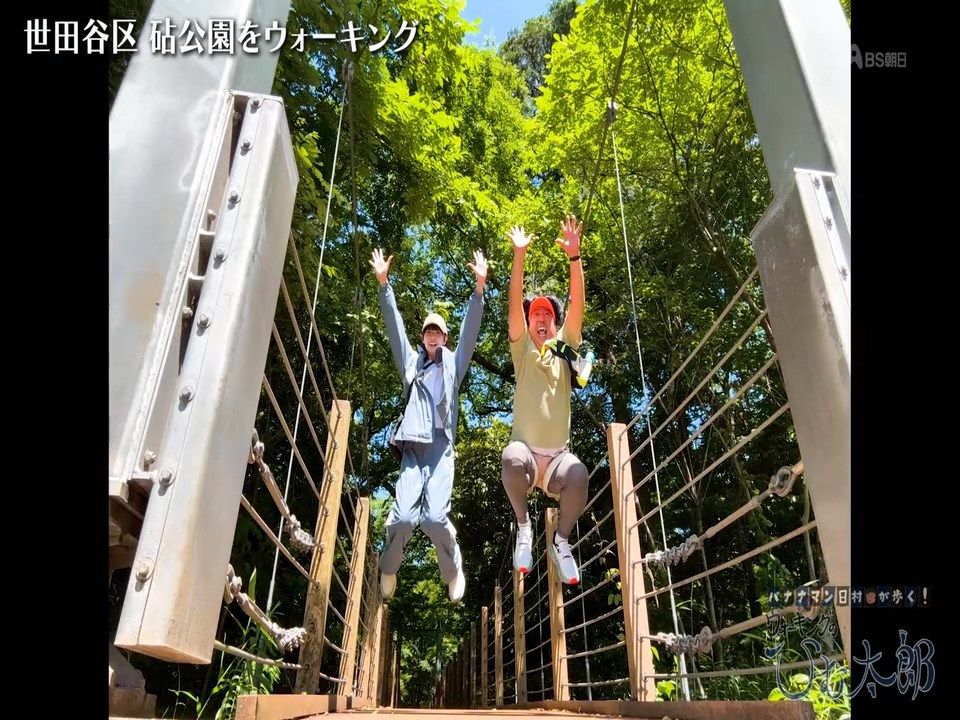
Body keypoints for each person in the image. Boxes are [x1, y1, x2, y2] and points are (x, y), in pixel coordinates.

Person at [370, 247, 487, 602]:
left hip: (441, 448)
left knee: (434, 519)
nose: (432, 336)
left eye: (438, 332)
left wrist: (479, 289)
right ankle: (389, 567)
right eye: (427, 332)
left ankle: (452, 569)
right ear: (423, 338)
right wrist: (384, 284)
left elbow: (470, 331)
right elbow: (395, 329)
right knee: (404, 518)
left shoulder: (454, 365)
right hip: (412, 448)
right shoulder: (412, 365)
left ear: (445, 339)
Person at [501, 217, 589, 585]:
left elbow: (577, 304)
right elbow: (513, 303)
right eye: (534, 314)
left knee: (580, 474)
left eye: (546, 315)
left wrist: (575, 257)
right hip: (525, 455)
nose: (540, 318)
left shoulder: (565, 347)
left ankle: (561, 542)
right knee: (510, 458)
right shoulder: (521, 350)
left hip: (557, 461)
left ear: (555, 325)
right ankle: (524, 528)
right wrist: (519, 255)